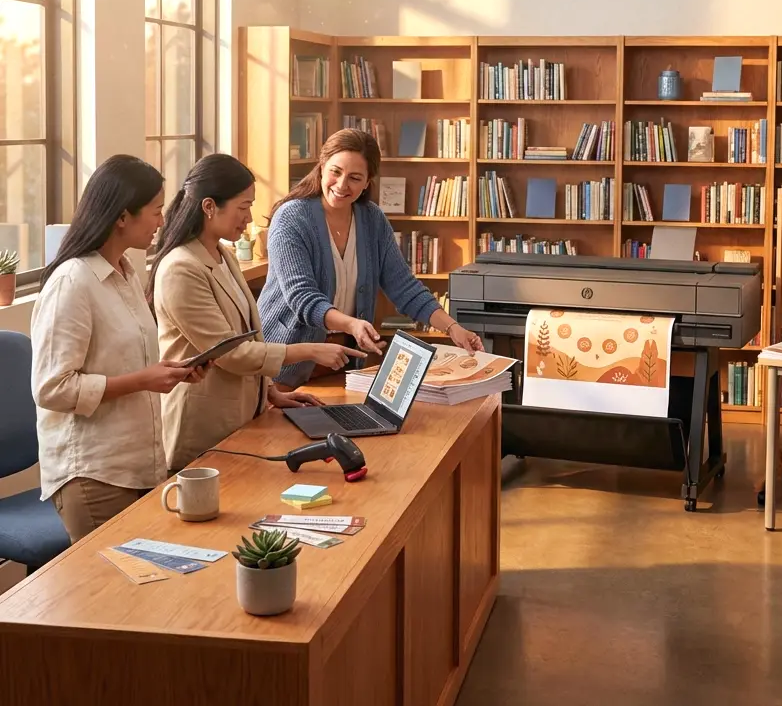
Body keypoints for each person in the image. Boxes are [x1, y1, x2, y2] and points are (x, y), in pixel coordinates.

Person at [149, 153, 365, 471]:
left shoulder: (223, 254)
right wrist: (309, 350)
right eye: (242, 207)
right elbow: (231, 353)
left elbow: (246, 333)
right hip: (203, 429)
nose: (249, 219)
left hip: (242, 420)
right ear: (209, 207)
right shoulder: (181, 268)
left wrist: (272, 392)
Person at [31, 155, 207, 543]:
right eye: (156, 211)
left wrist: (168, 371)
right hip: (94, 471)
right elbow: (52, 388)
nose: (162, 221)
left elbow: (124, 359)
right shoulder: (72, 283)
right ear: (123, 216)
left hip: (138, 465)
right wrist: (143, 379)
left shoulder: (126, 273)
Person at [258, 128, 483, 388]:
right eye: (335, 172)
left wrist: (453, 329)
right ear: (321, 167)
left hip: (343, 364)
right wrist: (352, 324)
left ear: (367, 182)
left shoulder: (372, 219)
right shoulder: (291, 218)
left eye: (355, 177)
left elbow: (405, 288)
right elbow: (302, 298)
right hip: (282, 365)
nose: (342, 185)